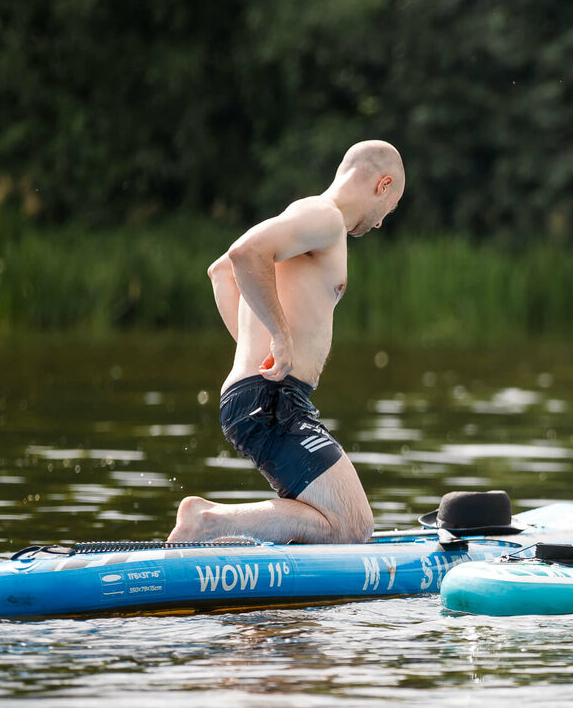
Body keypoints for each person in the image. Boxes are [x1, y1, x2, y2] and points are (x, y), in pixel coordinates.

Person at [168, 140, 406, 545]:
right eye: (391, 207)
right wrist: (277, 336)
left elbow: (221, 272)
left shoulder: (310, 217)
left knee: (339, 523)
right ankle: (207, 521)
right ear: (382, 185)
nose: (382, 222)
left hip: (270, 395)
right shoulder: (325, 217)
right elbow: (244, 254)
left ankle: (221, 529)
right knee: (354, 526)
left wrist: (257, 348)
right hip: (273, 398)